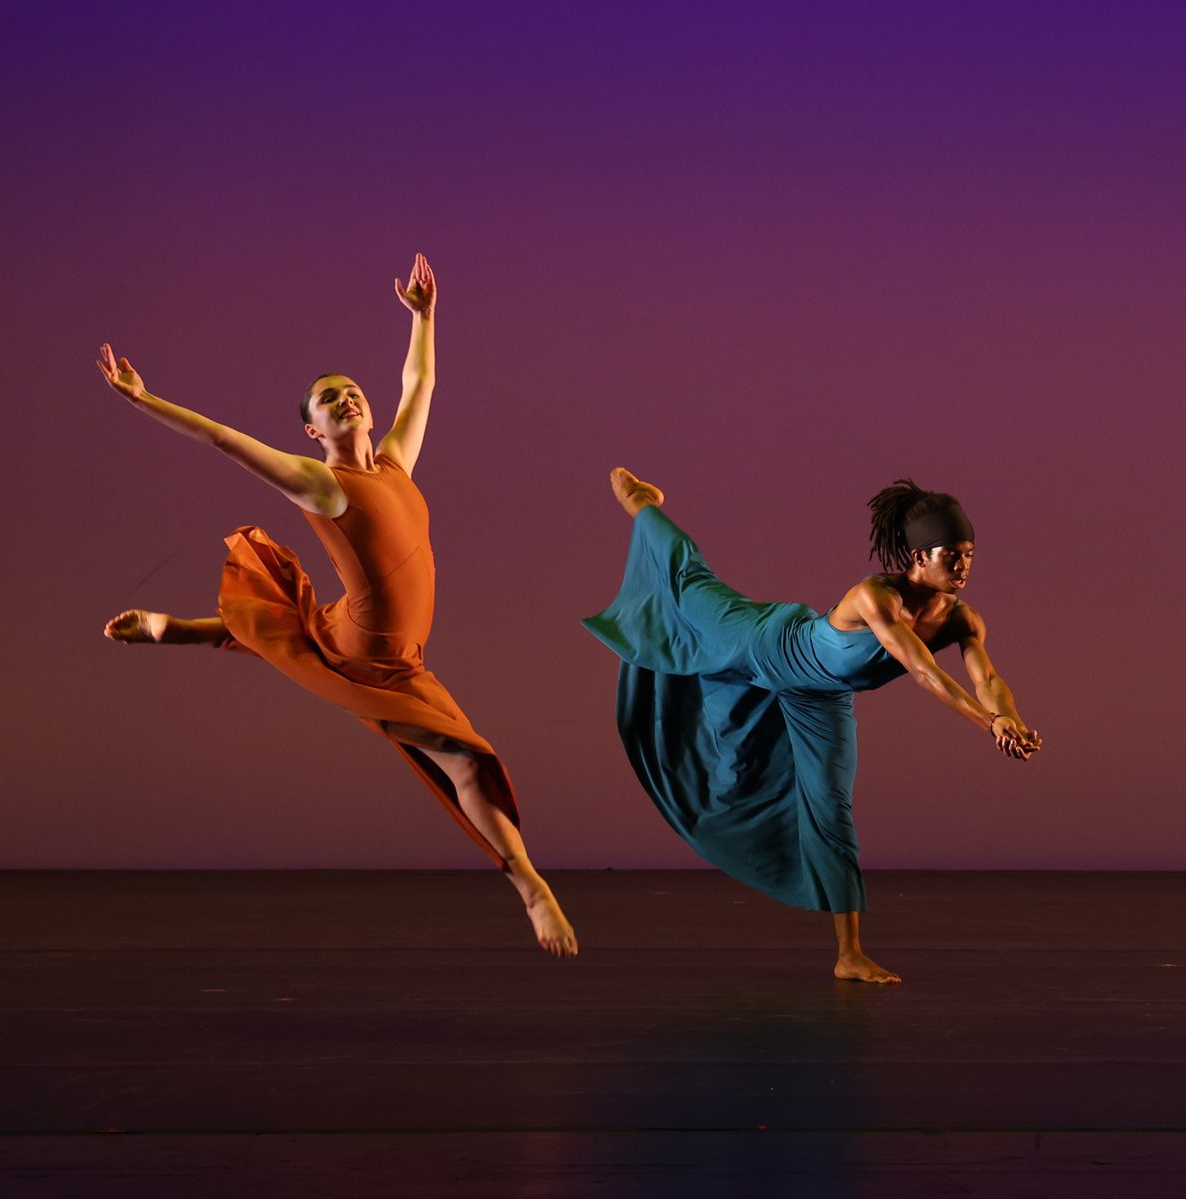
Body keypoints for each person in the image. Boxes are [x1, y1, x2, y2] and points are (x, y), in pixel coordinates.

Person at [97, 254, 576, 957]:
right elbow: (223, 439)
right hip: (374, 659)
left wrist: (423, 317)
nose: (347, 398)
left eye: (352, 391)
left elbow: (422, 381)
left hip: (384, 642)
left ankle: (178, 629)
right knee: (467, 759)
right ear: (312, 431)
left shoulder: (394, 464)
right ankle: (531, 887)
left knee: (304, 628)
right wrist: (145, 400)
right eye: (329, 399)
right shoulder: (321, 484)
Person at [584, 470, 1041, 983]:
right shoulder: (876, 597)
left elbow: (990, 678)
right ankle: (643, 505)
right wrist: (988, 724)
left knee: (832, 808)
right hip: (768, 643)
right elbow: (921, 669)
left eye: (969, 554)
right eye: (951, 555)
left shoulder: (964, 619)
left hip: (820, 698)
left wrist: (1010, 720)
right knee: (691, 586)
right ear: (918, 558)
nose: (963, 566)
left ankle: (849, 955)